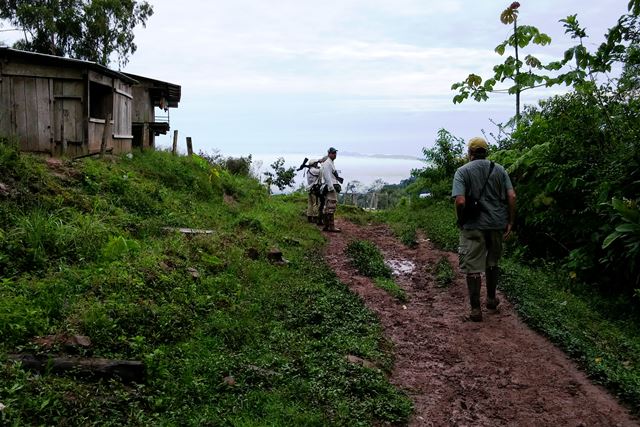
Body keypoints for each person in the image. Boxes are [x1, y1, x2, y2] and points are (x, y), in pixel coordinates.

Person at [451, 137, 516, 322]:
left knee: (473, 267)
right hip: (496, 224)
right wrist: (510, 221)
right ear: (486, 152)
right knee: (493, 262)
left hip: (473, 225)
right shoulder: (500, 169)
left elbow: (460, 200)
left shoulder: (462, 172)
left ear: (470, 152)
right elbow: (512, 196)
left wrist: (461, 219)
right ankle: (491, 299)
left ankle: (475, 309)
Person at [320, 147, 342, 232]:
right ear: (329, 154)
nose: (334, 154)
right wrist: (331, 187)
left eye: (335, 153)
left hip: (331, 185)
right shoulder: (327, 163)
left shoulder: (330, 162)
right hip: (330, 187)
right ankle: (331, 227)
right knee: (331, 205)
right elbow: (327, 176)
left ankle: (326, 226)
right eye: (333, 153)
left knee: (328, 206)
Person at [302, 156, 327, 224]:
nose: (317, 164)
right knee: (315, 204)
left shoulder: (309, 170)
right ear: (313, 164)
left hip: (310, 189)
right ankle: (315, 218)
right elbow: (322, 170)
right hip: (314, 189)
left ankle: (309, 217)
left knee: (310, 204)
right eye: (316, 163)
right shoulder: (314, 170)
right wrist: (322, 163)